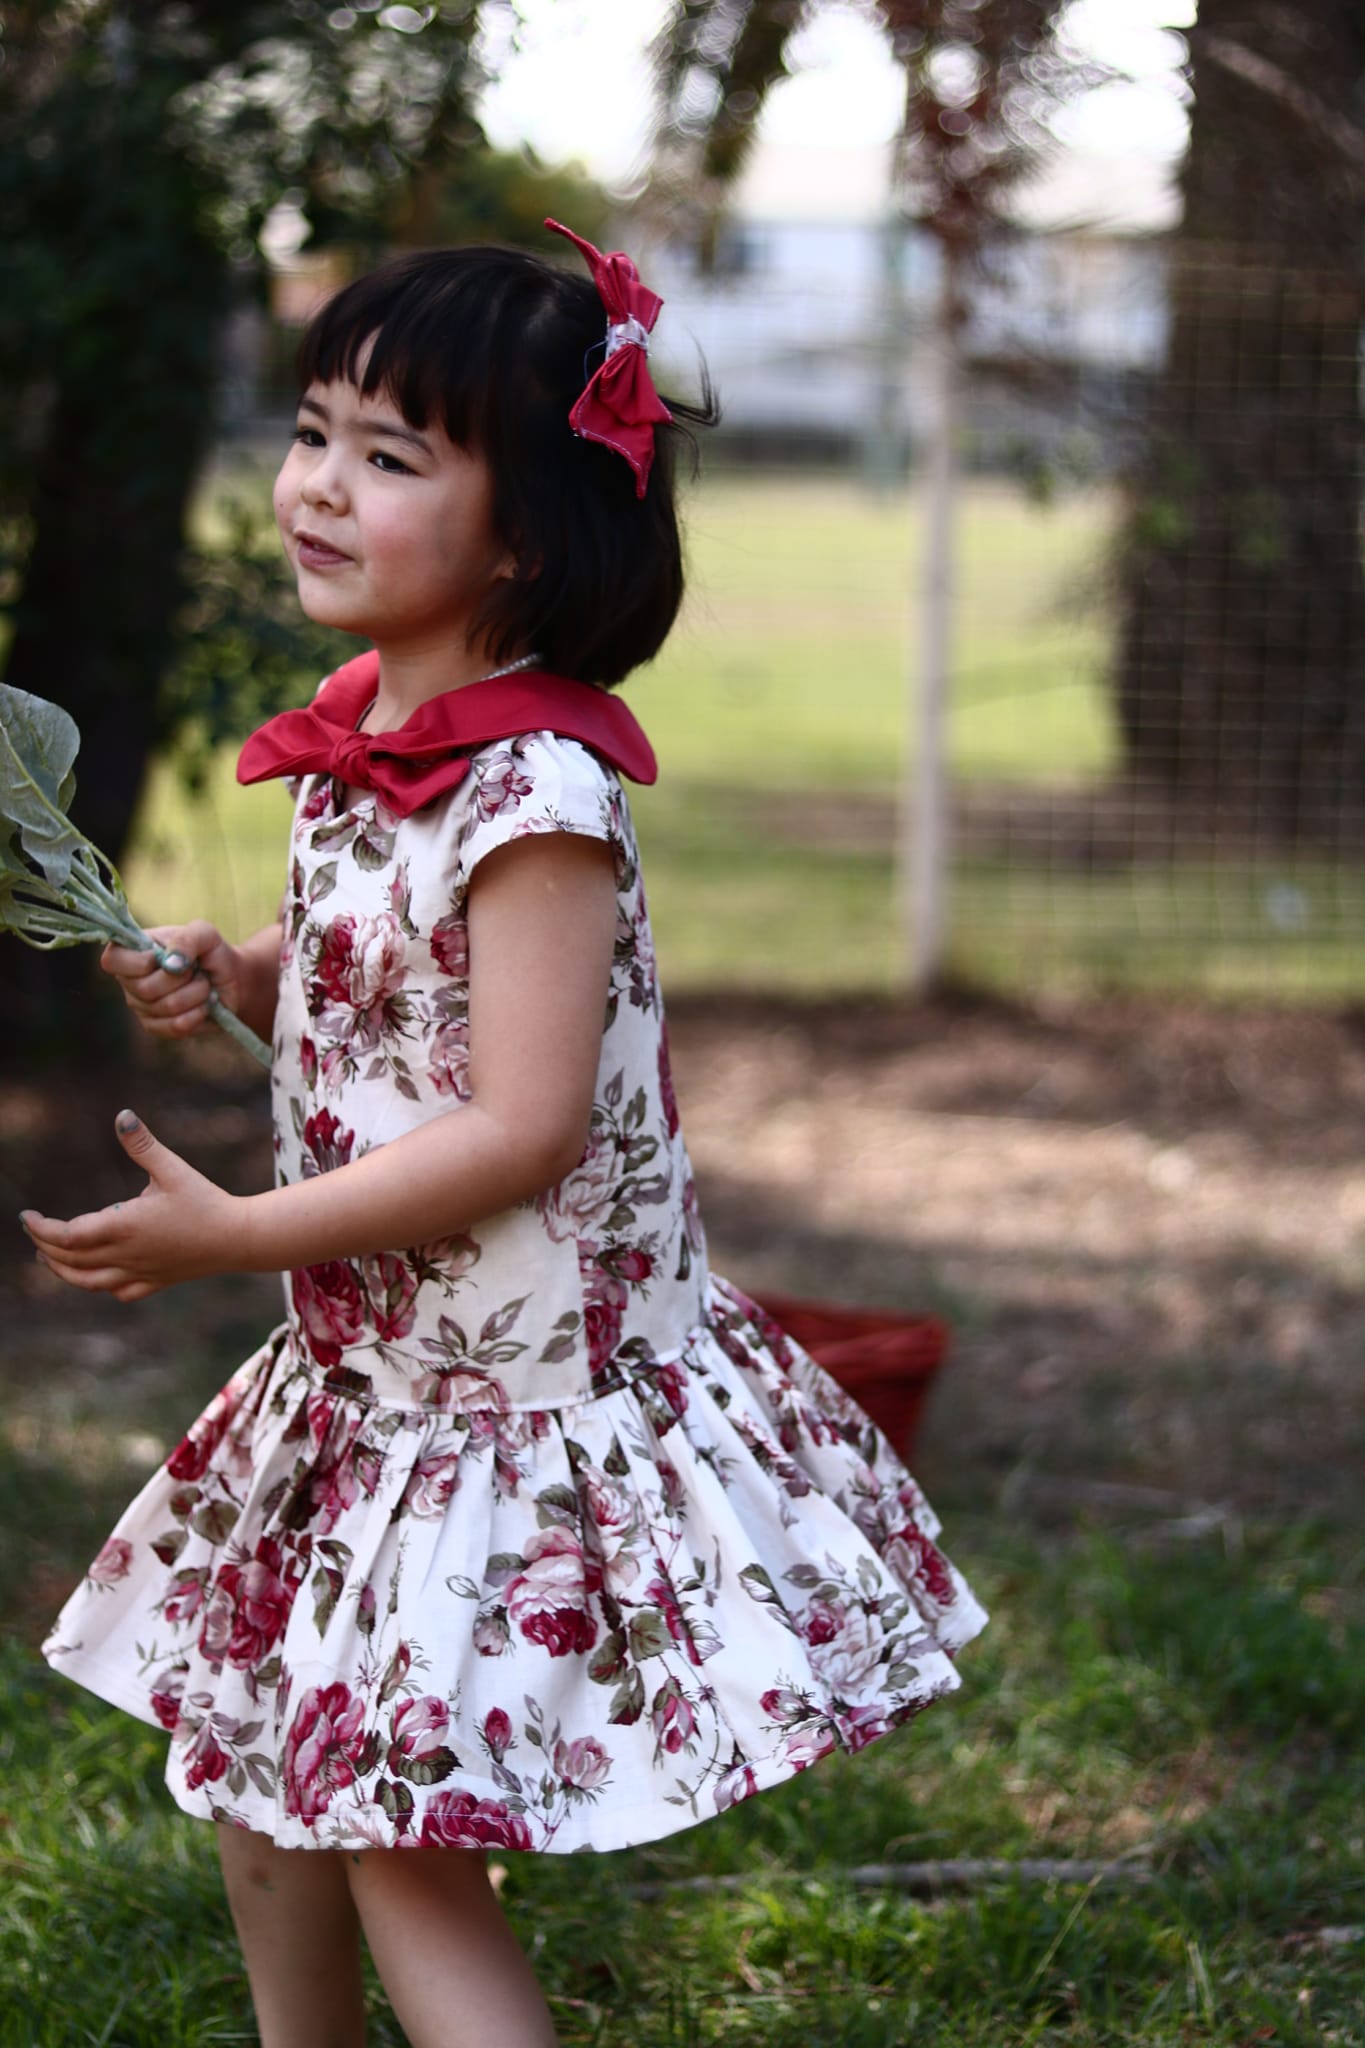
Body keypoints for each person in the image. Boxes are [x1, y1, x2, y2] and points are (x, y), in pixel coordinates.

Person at [22, 223, 988, 2048]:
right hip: (377, 1368)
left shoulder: (532, 791)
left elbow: (527, 1122)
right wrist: (242, 966)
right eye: (314, 431)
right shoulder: (366, 734)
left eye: (391, 456)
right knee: (258, 1763)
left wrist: (237, 1236)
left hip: (504, 1397)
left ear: (526, 533)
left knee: (400, 1841)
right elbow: (393, 978)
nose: (319, 485)